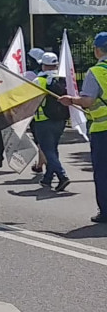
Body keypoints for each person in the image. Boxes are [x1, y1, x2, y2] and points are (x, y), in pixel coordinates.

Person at [60, 32, 107, 222]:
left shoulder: (96, 72)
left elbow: (87, 101)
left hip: (103, 130)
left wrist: (71, 100)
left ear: (97, 50)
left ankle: (105, 212)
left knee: (103, 172)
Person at [31, 52, 70, 191]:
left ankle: (62, 176)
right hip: (60, 120)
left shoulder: (39, 80)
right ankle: (47, 178)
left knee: (47, 150)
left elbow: (32, 100)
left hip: (43, 120)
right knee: (53, 149)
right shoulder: (63, 79)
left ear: (43, 65)